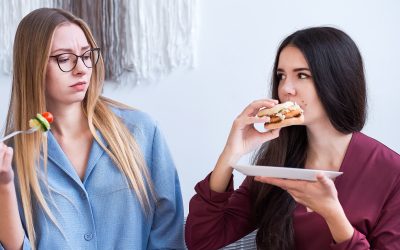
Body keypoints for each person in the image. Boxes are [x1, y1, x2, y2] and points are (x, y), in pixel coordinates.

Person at [185, 26, 400, 250]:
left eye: (302, 75)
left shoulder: (392, 173)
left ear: (338, 80)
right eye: (281, 76)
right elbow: (203, 240)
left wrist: (332, 214)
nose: (286, 89)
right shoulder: (278, 161)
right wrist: (231, 154)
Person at [0, 8, 184, 250]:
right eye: (64, 59)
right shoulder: (12, 157)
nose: (82, 69)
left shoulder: (140, 131)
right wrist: (4, 186)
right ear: (33, 67)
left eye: (87, 55)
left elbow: (169, 234)